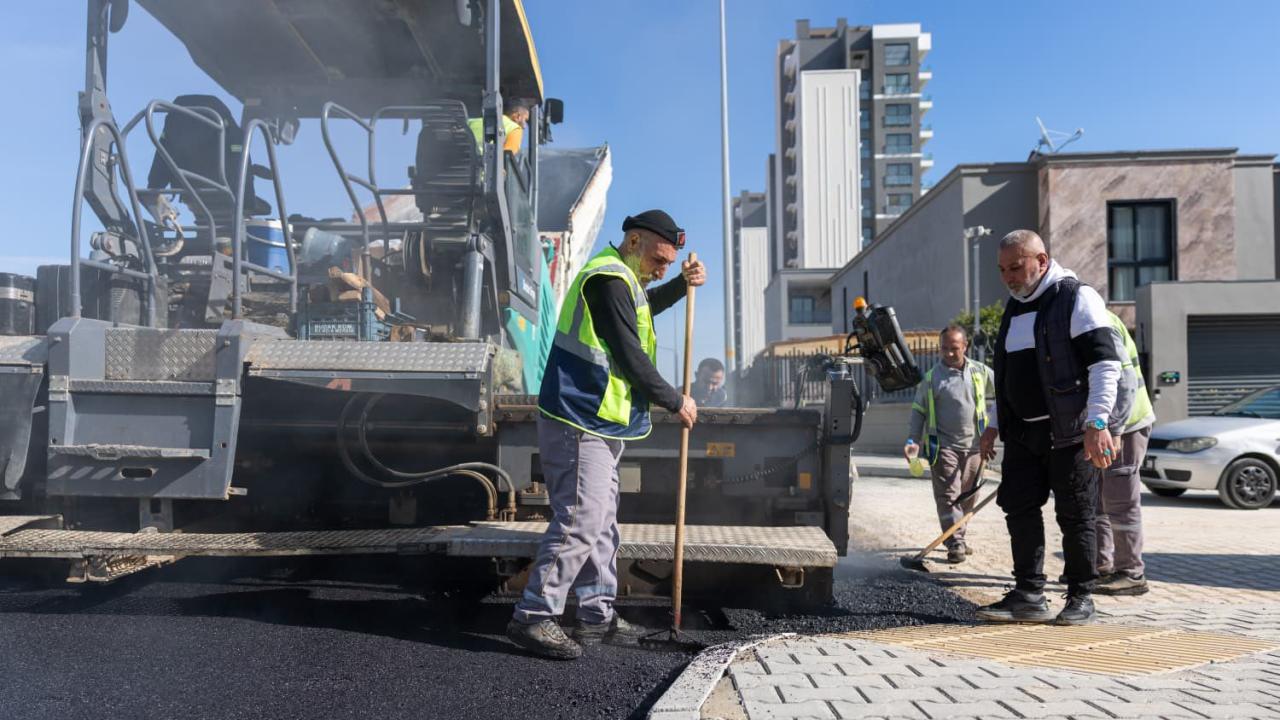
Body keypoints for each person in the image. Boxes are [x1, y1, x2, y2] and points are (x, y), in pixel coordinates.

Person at [506, 209, 706, 660]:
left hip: (596, 422)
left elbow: (643, 309)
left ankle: (597, 616)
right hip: (578, 420)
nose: (662, 269)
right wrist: (676, 399)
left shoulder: (626, 283)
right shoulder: (608, 278)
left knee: (602, 526)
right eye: (659, 260)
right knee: (581, 519)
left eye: (669, 266)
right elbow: (630, 354)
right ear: (634, 241)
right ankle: (534, 616)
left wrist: (680, 286)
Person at [976, 229, 1133, 626]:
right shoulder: (1013, 309)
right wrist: (994, 425)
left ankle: (1082, 597)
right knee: (1018, 508)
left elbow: (1104, 364)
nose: (1009, 277)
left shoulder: (1076, 298)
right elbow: (1007, 376)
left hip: (1070, 435)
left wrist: (1098, 422)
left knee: (1076, 515)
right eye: (1002, 270)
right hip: (1024, 435)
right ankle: (1028, 594)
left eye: (1017, 266)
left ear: (1041, 261)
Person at [905, 325, 998, 564]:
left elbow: (1004, 392)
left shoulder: (980, 372)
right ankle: (955, 542)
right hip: (943, 445)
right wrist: (913, 440)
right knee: (949, 495)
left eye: (953, 349)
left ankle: (959, 536)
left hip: (976, 446)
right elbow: (918, 411)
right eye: (944, 348)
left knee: (968, 495)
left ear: (965, 347)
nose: (948, 353)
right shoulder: (931, 379)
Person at [1093, 311, 1155, 596]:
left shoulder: (1100, 323)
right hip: (1106, 426)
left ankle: (1131, 573)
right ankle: (1101, 565)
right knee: (1098, 499)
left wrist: (1115, 428)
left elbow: (1125, 380)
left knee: (1120, 500)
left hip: (1126, 425)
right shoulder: (1086, 319)